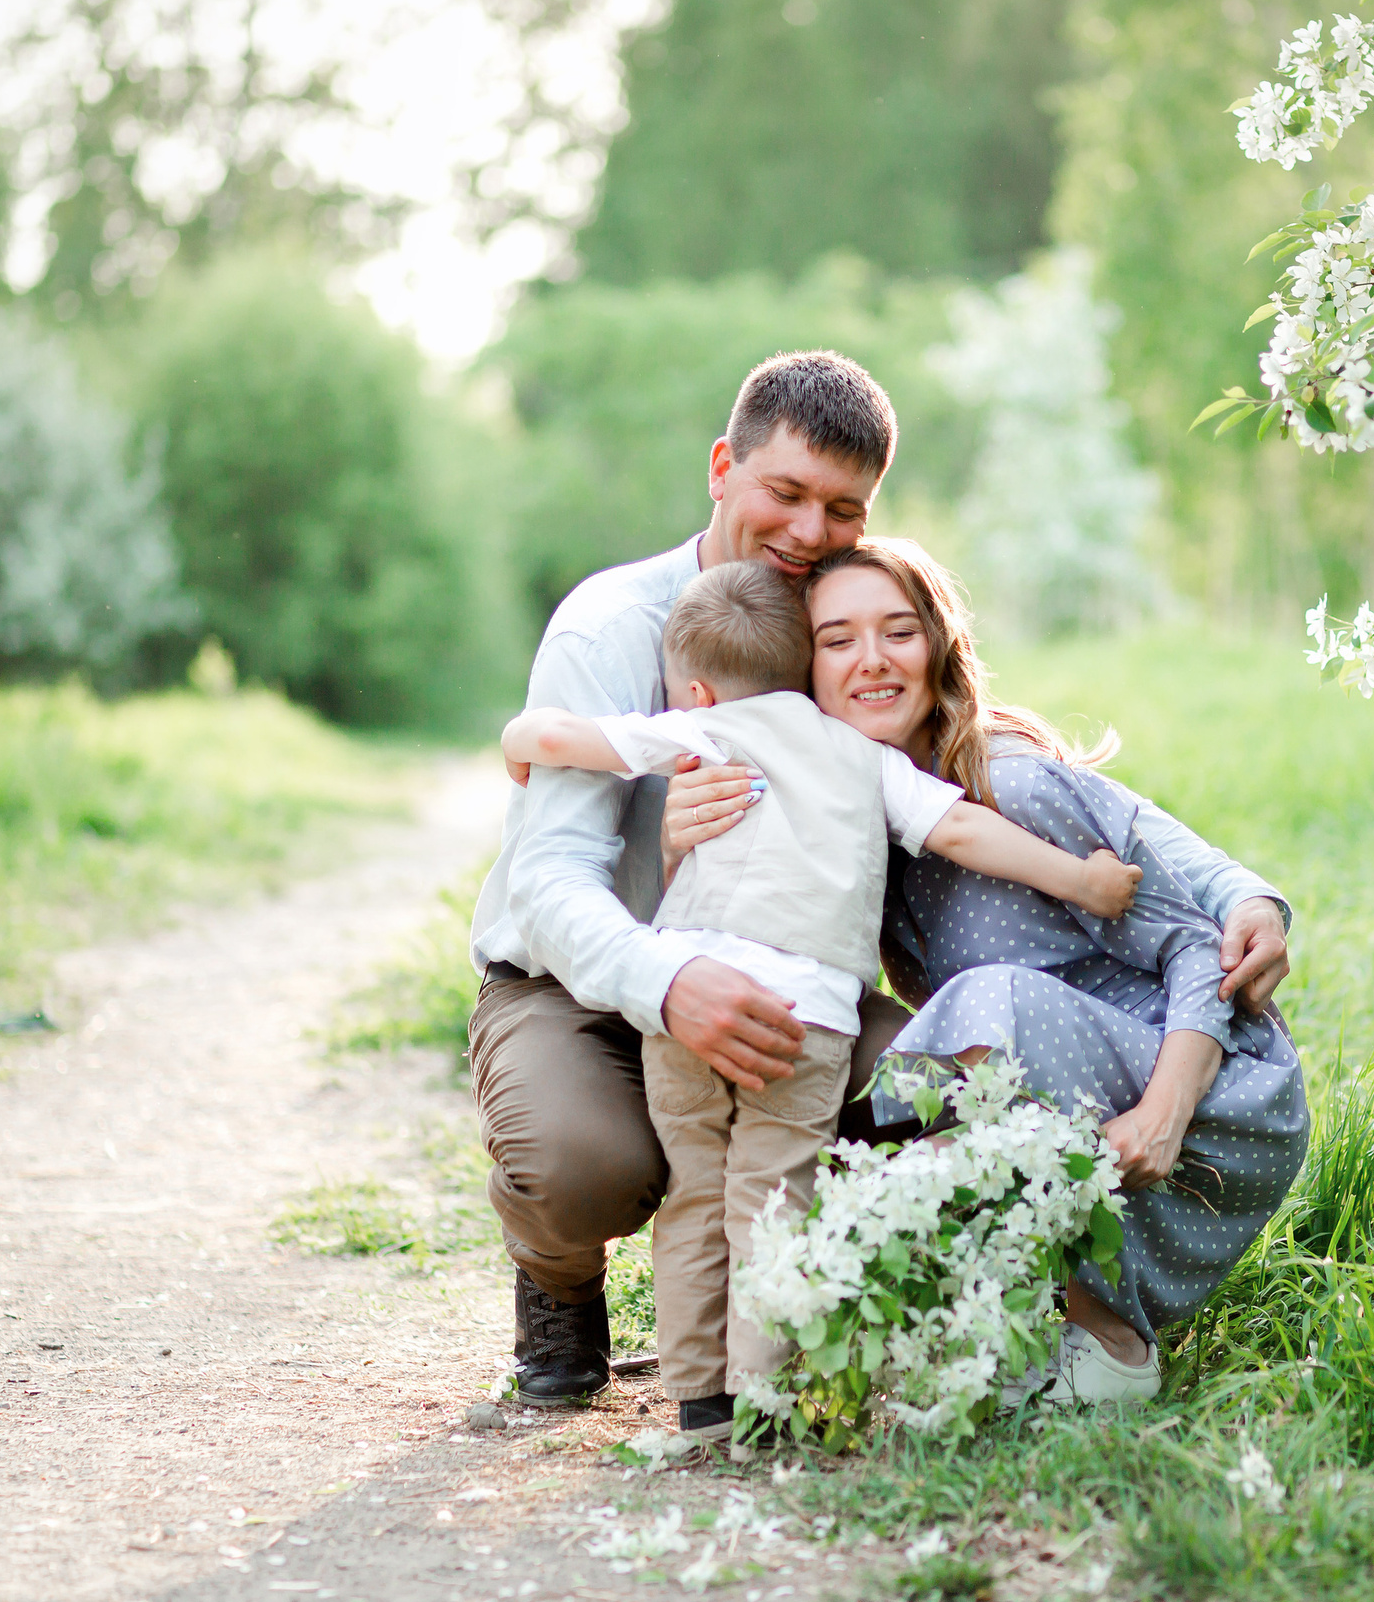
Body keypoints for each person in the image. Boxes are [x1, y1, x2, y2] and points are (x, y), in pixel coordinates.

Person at [468, 349, 1292, 1407]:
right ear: (723, 467)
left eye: (841, 509)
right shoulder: (614, 628)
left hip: (783, 977)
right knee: (584, 1167)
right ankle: (558, 1283)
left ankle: (862, 1323)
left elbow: (998, 778)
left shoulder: (823, 632)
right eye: (785, 493)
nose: (809, 533)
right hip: (578, 981)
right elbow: (549, 879)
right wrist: (667, 975)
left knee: (939, 1098)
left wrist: (1242, 895)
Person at [498, 561, 1141, 1441]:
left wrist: (520, 738)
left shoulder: (699, 730)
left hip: (685, 1008)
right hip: (806, 1026)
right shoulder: (865, 757)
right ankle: (765, 1403)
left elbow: (567, 740)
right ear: (808, 664)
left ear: (696, 684)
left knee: (696, 1199)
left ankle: (699, 1405)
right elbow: (959, 827)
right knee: (774, 1200)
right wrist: (1085, 880)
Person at [662, 539, 1311, 1407]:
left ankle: (1108, 1337)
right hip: (1085, 1095)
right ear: (798, 673)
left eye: (898, 632)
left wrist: (1166, 1111)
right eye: (838, 639)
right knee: (844, 1067)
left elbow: (1197, 946)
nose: (872, 661)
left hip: (1208, 1092)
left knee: (982, 1009)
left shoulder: (1009, 789)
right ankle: (973, 1332)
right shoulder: (865, 827)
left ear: (937, 647)